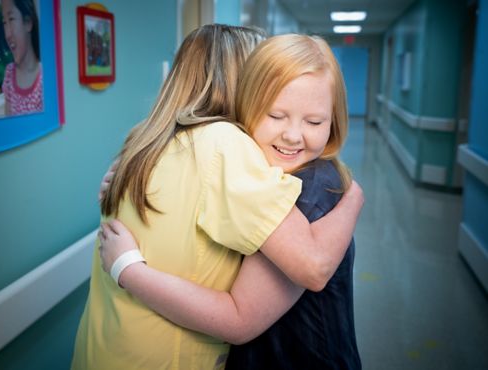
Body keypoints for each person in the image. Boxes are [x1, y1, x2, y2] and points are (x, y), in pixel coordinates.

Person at [71, 25, 363, 370]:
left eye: (313, 120)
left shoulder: (144, 141)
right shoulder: (226, 146)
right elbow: (311, 265)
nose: (292, 132)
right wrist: (356, 195)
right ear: (247, 83)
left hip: (101, 349)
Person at [1, 0, 43, 116]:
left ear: (28, 22)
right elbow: (8, 124)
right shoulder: (9, 74)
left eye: (11, 19)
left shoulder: (45, 78)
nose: (7, 34)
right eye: (4, 22)